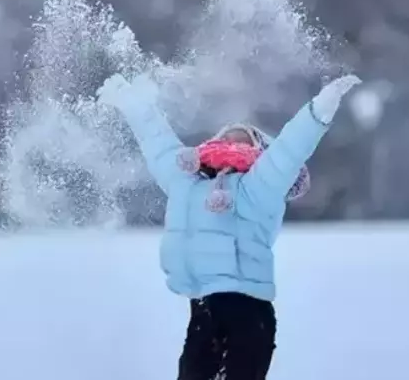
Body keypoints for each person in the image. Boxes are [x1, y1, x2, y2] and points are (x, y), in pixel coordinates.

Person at [97, 72, 361, 380]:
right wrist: (133, 103)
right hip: (202, 310)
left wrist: (319, 110)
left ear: (261, 153)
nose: (230, 143)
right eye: (225, 138)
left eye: (242, 140)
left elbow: (290, 149)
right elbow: (158, 143)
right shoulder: (187, 182)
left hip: (248, 314)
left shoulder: (260, 185)